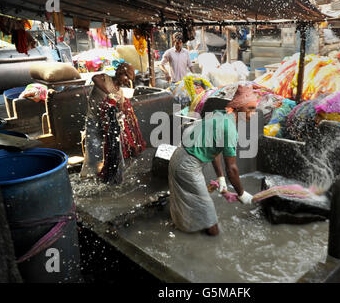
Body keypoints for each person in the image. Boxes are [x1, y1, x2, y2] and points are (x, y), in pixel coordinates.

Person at [168, 84, 257, 236]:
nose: (253, 114)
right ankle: (207, 248)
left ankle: (184, 231)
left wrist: (220, 177)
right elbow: (233, 169)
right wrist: (241, 193)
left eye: (254, 109)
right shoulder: (229, 129)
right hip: (187, 166)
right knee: (211, 223)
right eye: (250, 108)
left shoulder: (219, 115)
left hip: (178, 158)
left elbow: (215, 150)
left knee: (189, 205)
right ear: (238, 108)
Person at [80, 62, 146, 183]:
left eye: (129, 80)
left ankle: (104, 179)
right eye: (126, 78)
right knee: (93, 153)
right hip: (93, 121)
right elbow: (94, 78)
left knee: (108, 154)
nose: (127, 82)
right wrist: (109, 94)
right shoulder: (105, 79)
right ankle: (88, 180)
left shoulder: (120, 92)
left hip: (107, 125)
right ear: (120, 73)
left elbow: (120, 109)